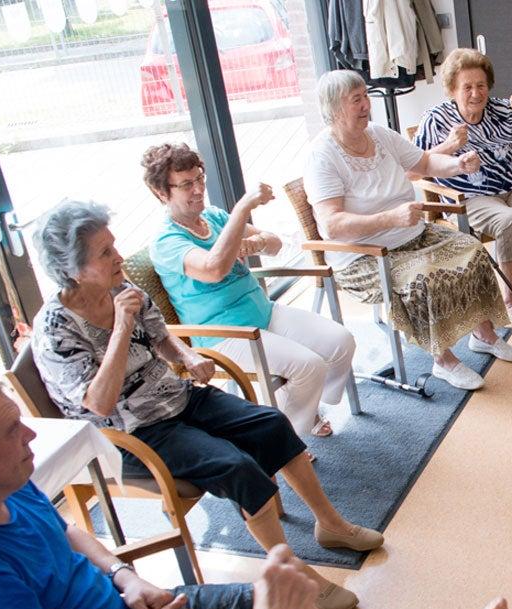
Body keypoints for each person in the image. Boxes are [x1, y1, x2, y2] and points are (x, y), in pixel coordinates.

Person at [28, 200, 377, 609]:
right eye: (104, 253)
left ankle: (330, 525)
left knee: (271, 423)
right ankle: (295, 573)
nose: (118, 257)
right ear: (71, 269)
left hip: (176, 397)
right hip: (128, 433)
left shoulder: (122, 289)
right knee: (235, 465)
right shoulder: (55, 329)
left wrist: (186, 356)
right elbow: (99, 403)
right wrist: (121, 328)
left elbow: (161, 336)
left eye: (114, 245)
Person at [0, 374, 319, 609]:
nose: (31, 433)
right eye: (10, 430)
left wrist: (123, 576)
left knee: (299, 601)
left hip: (122, 603)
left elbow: (68, 531)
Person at [305, 69, 512, 391]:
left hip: (408, 232)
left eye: (366, 96)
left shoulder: (378, 134)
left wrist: (457, 164)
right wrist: (389, 219)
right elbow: (331, 224)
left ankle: (484, 335)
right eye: (357, 100)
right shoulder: (321, 155)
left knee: (472, 249)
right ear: (335, 108)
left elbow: (424, 163)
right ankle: (443, 360)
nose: (367, 105)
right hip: (364, 254)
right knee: (426, 276)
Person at [145, 143, 355, 438]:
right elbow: (212, 268)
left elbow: (276, 244)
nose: (198, 189)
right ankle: (286, 438)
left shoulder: (215, 218)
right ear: (161, 192)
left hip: (263, 311)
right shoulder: (166, 241)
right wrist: (243, 208)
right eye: (186, 185)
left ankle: (299, 408)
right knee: (309, 366)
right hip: (224, 333)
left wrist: (260, 242)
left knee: (341, 341)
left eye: (199, 178)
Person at [414, 48, 512, 330]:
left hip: (511, 187)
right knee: (509, 221)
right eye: (467, 87)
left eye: (481, 85)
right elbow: (413, 169)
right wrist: (450, 147)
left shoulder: (500, 109)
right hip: (470, 196)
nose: (476, 93)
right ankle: (511, 300)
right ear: (452, 90)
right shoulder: (437, 119)